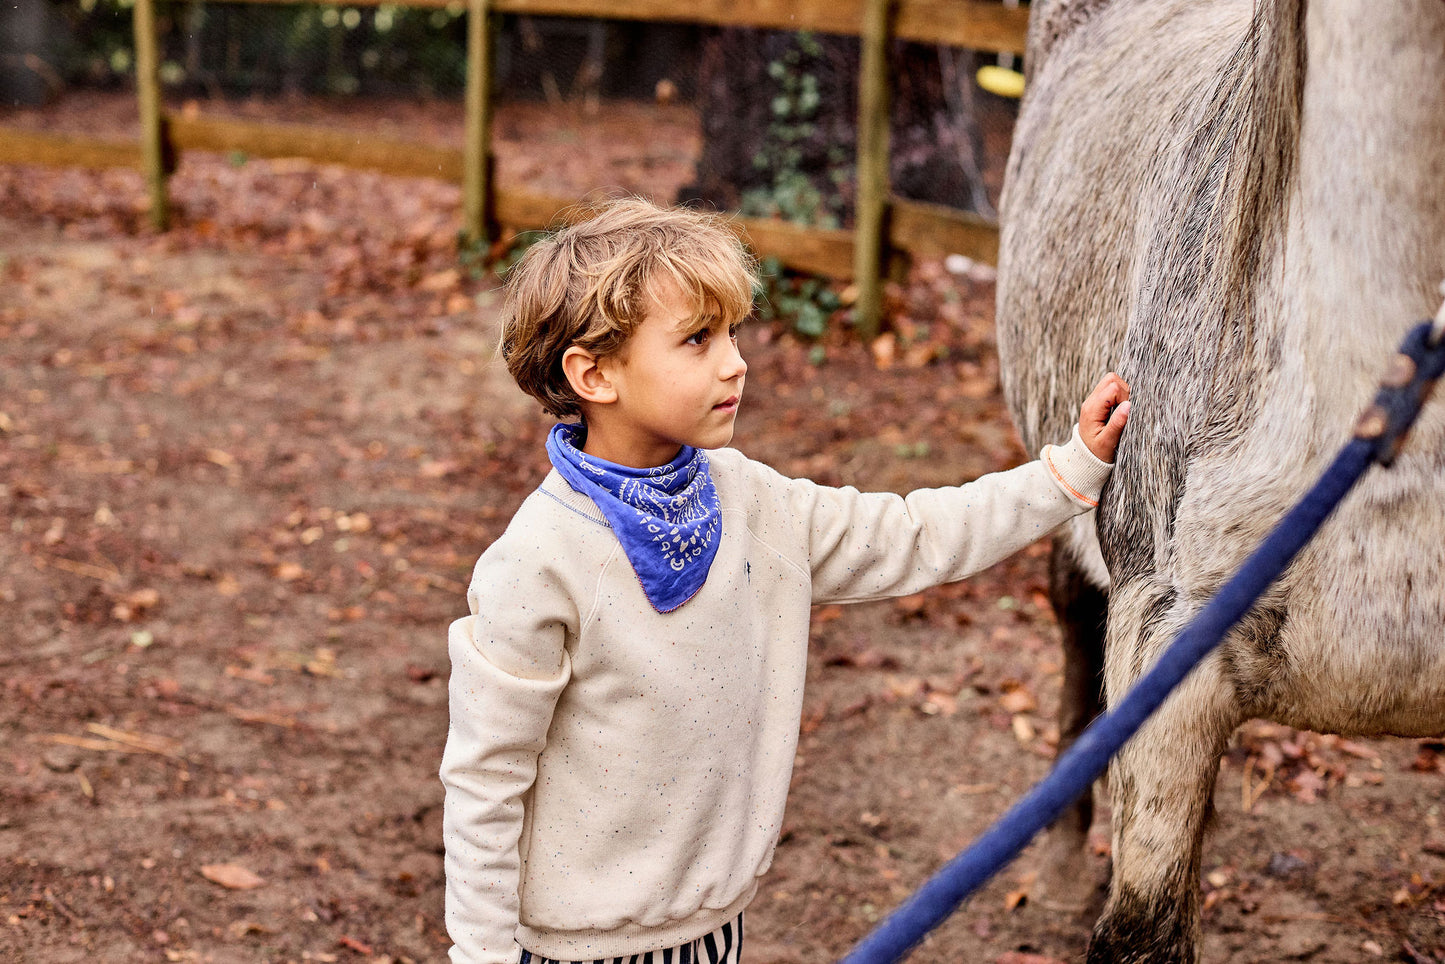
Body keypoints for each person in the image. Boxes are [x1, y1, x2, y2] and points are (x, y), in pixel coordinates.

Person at [440, 197, 1131, 964]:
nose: (734, 361)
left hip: (712, 932)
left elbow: (912, 534)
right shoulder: (537, 564)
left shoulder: (755, 504)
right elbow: (485, 783)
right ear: (594, 373)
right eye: (697, 340)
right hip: (574, 950)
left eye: (732, 333)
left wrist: (1066, 474)